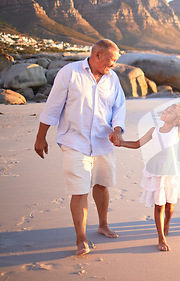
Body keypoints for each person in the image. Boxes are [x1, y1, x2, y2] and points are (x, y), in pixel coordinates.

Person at [34, 39, 126, 255]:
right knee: (79, 190)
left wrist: (118, 130)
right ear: (97, 56)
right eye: (111, 60)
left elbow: (119, 108)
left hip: (104, 141)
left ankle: (103, 225)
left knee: (102, 184)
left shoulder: (113, 79)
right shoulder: (70, 73)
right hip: (74, 141)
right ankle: (81, 238)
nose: (113, 65)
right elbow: (53, 107)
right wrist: (41, 137)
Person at [113, 104, 180, 251]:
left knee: (170, 204)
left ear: (175, 121)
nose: (166, 111)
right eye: (167, 109)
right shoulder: (154, 130)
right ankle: (161, 238)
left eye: (171, 112)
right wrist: (121, 143)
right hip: (157, 171)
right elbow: (137, 144)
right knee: (159, 205)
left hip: (171, 171)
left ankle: (167, 222)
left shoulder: (178, 130)